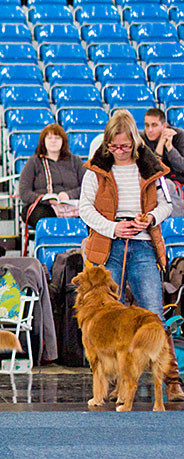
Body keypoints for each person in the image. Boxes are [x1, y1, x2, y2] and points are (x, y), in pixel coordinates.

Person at [79, 109, 184, 401]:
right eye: (114, 146)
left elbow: (166, 204)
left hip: (142, 245)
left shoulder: (150, 165)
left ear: (135, 142)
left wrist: (149, 219)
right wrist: (114, 228)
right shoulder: (95, 168)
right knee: (111, 318)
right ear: (107, 142)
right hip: (108, 245)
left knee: (153, 315)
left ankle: (172, 380)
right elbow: (84, 209)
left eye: (125, 146)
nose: (120, 151)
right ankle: (115, 384)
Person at [18, 123, 86, 228]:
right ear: (43, 141)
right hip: (43, 206)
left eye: (57, 138)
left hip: (72, 204)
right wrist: (46, 199)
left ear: (63, 141)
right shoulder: (34, 162)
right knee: (45, 217)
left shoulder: (75, 161)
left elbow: (87, 186)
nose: (53, 141)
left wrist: (69, 195)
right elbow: (24, 192)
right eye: (49, 138)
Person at [142, 108, 184, 185]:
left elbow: (182, 167)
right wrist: (161, 143)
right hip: (153, 182)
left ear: (164, 126)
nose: (150, 130)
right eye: (147, 125)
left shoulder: (178, 135)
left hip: (177, 180)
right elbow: (152, 170)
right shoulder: (142, 139)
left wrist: (169, 147)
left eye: (154, 125)